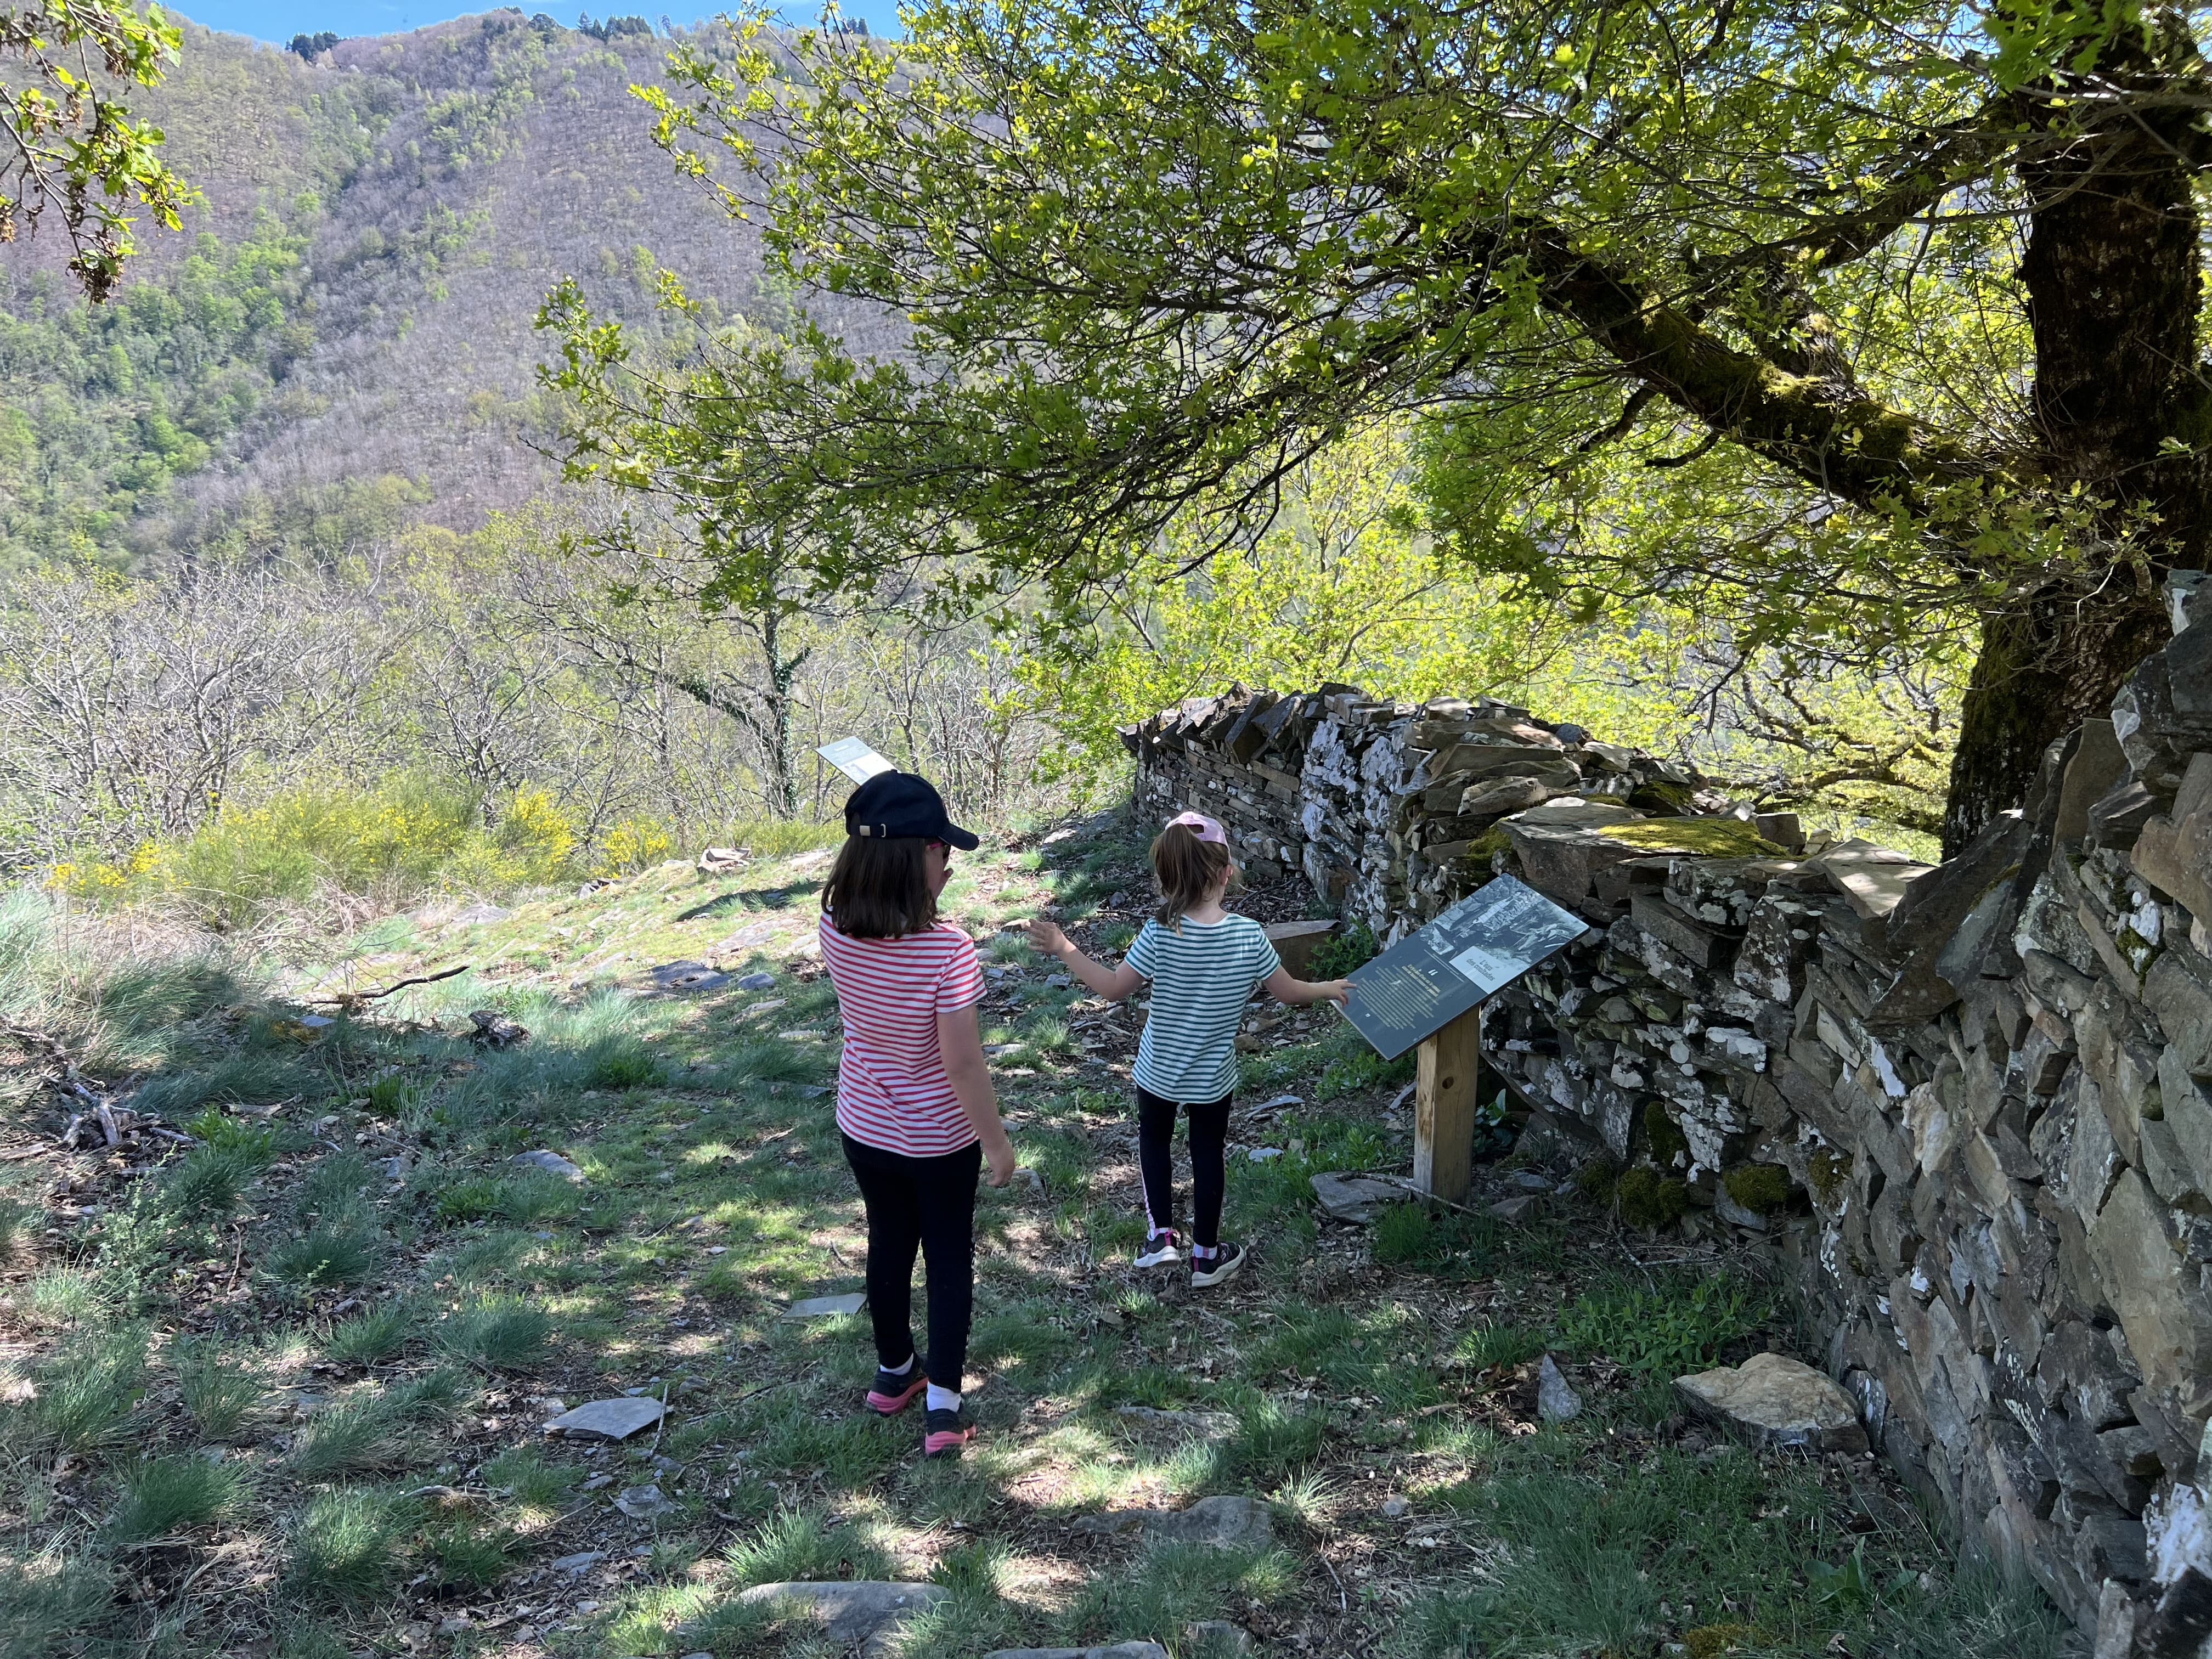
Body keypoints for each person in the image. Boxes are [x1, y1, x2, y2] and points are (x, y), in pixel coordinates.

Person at [1029, 811, 1350, 1286]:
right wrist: (1327, 987)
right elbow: (1288, 993)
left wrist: (1064, 947)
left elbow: (1115, 989)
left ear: (1169, 877)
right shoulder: (1248, 936)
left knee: (1154, 1143)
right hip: (1212, 1077)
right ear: (1226, 872)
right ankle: (1205, 1256)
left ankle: (1161, 1238)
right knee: (1207, 1154)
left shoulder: (1160, 932)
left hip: (1157, 1070)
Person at [820, 770, 1016, 1458]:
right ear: (914, 857)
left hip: (865, 1126)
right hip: (938, 1140)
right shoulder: (948, 948)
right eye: (942, 848)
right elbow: (962, 1065)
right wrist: (996, 1144)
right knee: (949, 1259)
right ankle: (943, 1406)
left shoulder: (833, 924)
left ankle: (895, 1371)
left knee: (889, 1243)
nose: (950, 861)